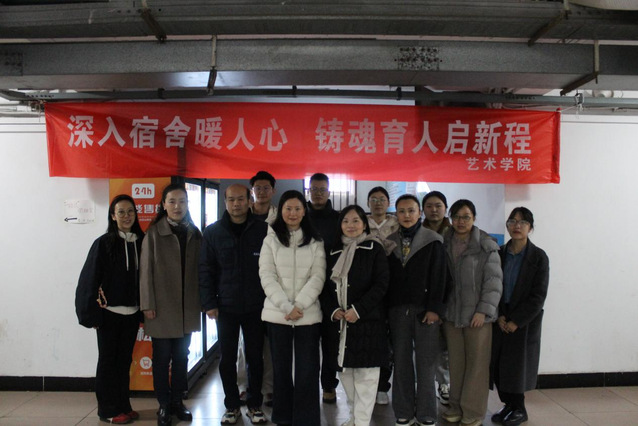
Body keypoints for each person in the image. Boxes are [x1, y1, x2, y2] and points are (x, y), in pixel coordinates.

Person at [199, 184, 269, 425]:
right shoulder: (213, 232)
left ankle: (254, 405)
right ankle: (231, 406)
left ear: (249, 201)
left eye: (241, 199)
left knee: (255, 358)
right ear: (225, 202)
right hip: (225, 306)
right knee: (227, 359)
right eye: (231, 199)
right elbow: (205, 270)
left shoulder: (263, 230)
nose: (236, 204)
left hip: (257, 306)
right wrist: (209, 303)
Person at [75, 194, 144, 425]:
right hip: (108, 315)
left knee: (124, 362)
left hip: (132, 314)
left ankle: (123, 405)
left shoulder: (142, 242)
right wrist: (90, 314)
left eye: (130, 211)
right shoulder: (103, 244)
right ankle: (107, 409)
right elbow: (89, 280)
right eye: (121, 212)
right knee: (107, 362)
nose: (126, 216)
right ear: (113, 216)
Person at [259, 190, 326, 426]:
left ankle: (307, 418)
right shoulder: (270, 240)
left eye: (297, 208)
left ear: (304, 211)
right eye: (288, 208)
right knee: (281, 369)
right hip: (278, 315)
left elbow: (318, 276)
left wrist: (300, 305)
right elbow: (267, 276)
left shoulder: (316, 241)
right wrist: (286, 306)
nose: (293, 213)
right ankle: (283, 417)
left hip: (308, 315)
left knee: (308, 369)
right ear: (281, 211)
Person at [140, 184, 202, 426]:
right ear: (163, 205)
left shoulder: (195, 233)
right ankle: (163, 405)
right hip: (161, 307)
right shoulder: (154, 233)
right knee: (161, 357)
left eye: (182, 201)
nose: (178, 206)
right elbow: (145, 272)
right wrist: (147, 303)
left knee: (182, 356)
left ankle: (177, 401)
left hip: (187, 307)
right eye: (172, 201)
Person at [322, 205, 389, 426]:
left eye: (356, 221)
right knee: (346, 375)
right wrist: (333, 310)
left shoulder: (374, 248)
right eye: (346, 221)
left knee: (366, 379)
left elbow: (381, 284)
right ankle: (354, 418)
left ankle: (361, 422)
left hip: (367, 323)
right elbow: (323, 286)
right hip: (340, 325)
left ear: (364, 224)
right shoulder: (333, 251)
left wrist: (358, 310)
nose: (350, 225)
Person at [386, 194, 449, 426]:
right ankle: (403, 411)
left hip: (425, 311)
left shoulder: (433, 241)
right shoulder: (389, 242)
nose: (406, 215)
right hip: (397, 311)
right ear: (396, 214)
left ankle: (426, 413)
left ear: (419, 213)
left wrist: (435, 309)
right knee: (401, 361)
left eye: (411, 210)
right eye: (401, 211)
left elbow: (440, 278)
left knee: (426, 363)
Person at [442, 199, 503, 426]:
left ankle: (473, 411)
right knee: (456, 364)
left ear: (474, 218)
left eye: (466, 217)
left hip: (478, 317)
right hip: (452, 315)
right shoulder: (443, 242)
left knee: (477, 365)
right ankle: (455, 406)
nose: (461, 221)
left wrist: (483, 312)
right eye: (456, 217)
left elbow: (494, 282)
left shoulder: (486, 245)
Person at [490, 207, 550, 426]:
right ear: (507, 225)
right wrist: (499, 315)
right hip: (500, 316)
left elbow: (538, 295)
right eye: (513, 221)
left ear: (530, 228)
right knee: (498, 364)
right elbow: (491, 286)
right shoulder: (498, 253)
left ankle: (519, 408)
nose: (517, 226)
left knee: (516, 367)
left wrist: (516, 321)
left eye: (523, 222)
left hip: (523, 320)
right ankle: (508, 404)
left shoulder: (538, 257)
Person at [306, 172, 340, 404]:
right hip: (304, 289)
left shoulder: (339, 219)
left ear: (329, 192)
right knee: (307, 345)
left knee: (330, 343)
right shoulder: (299, 216)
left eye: (322, 190)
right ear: (308, 191)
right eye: (314, 189)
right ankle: (308, 388)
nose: (318, 194)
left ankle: (328, 385)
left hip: (331, 289)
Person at [365, 186, 398, 406]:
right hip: (367, 286)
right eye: (373, 199)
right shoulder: (361, 223)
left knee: (390, 340)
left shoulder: (398, 224)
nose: (378, 203)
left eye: (382, 199)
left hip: (394, 287)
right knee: (370, 337)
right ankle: (368, 384)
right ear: (368, 203)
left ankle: (383, 385)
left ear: (388, 202)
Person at [422, 190, 452, 406]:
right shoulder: (418, 232)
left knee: (444, 347)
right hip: (424, 298)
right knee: (424, 347)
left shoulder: (454, 232)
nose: (434, 210)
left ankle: (444, 383)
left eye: (438, 206)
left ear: (445, 208)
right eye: (429, 206)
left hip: (450, 297)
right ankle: (423, 387)